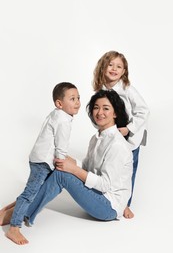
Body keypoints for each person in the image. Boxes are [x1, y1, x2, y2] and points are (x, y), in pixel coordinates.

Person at [0, 89, 133, 245]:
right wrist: (67, 161)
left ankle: (18, 214)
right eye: (96, 107)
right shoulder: (96, 138)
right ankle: (15, 207)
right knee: (56, 165)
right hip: (96, 194)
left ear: (115, 113)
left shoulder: (117, 145)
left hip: (108, 207)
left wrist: (73, 169)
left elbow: (105, 184)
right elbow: (88, 167)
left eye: (106, 108)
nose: (99, 112)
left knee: (62, 174)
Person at [1, 82, 80, 245]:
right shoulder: (63, 120)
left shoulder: (57, 114)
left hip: (40, 159)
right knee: (30, 194)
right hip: (43, 162)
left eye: (78, 98)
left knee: (32, 191)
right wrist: (61, 161)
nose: (77, 102)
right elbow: (61, 145)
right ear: (59, 103)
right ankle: (14, 227)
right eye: (72, 99)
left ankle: (5, 212)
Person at [93, 51, 150, 218]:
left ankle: (126, 204)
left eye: (119, 66)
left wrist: (129, 129)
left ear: (124, 71)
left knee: (128, 171)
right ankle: (109, 199)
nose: (114, 69)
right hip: (111, 136)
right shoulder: (100, 90)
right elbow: (97, 111)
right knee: (111, 168)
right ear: (103, 68)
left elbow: (143, 110)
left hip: (130, 137)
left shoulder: (127, 89)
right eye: (110, 65)